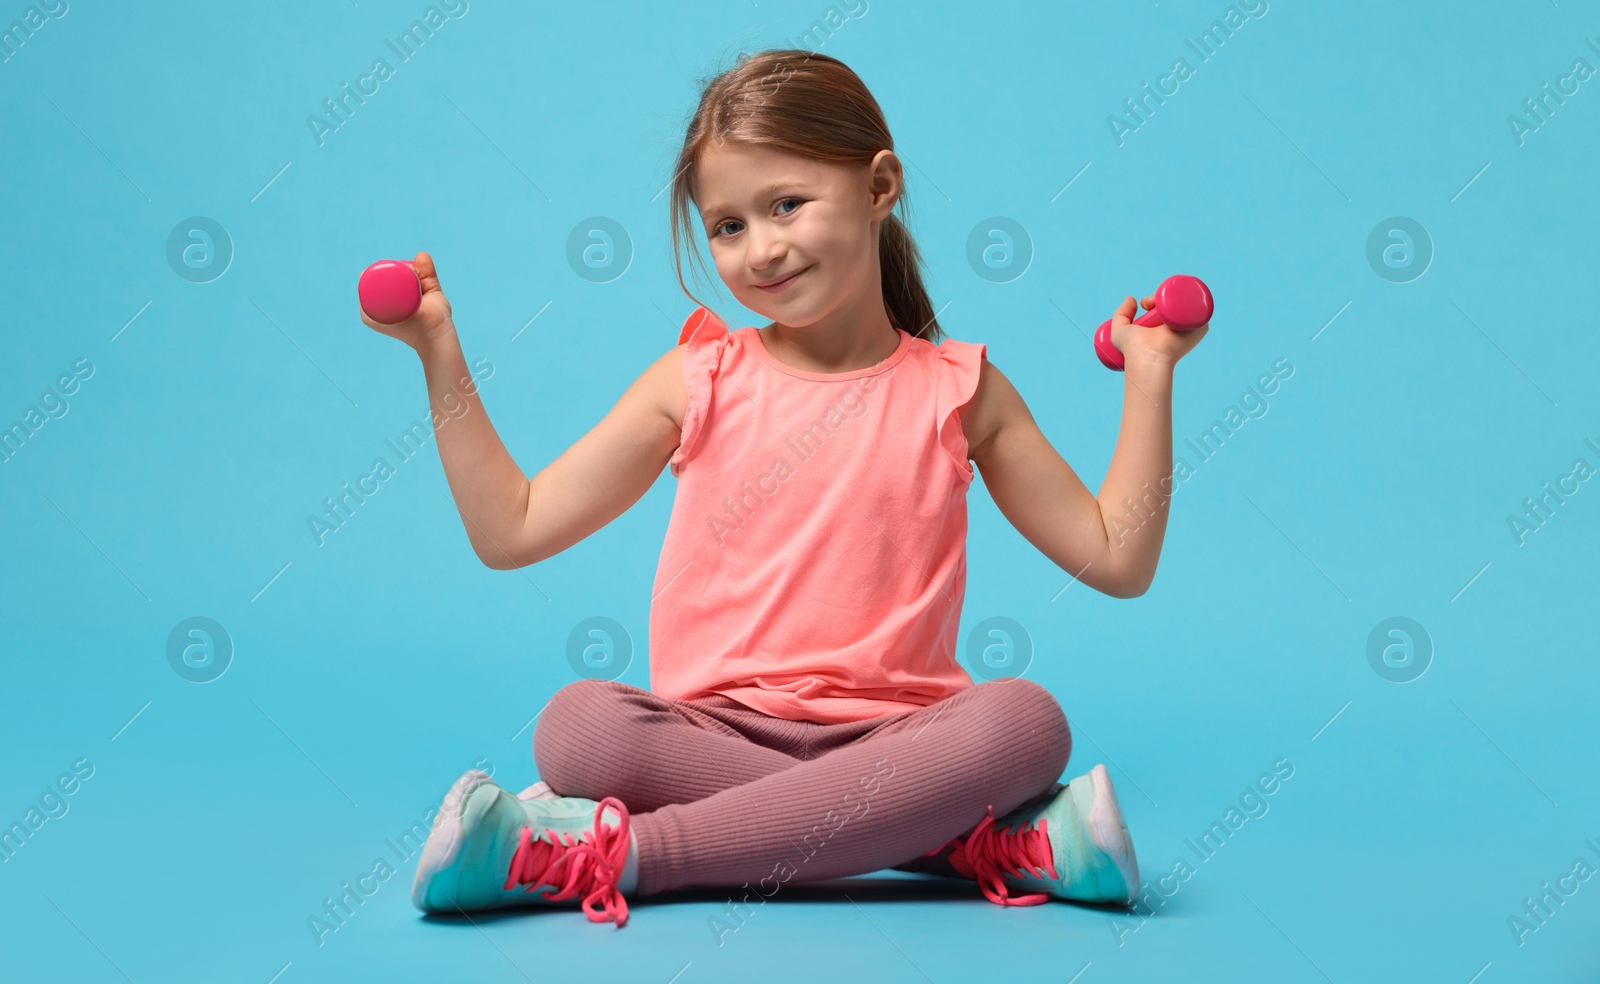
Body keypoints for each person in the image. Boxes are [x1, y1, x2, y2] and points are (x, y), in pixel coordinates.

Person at [367, 50, 1207, 928]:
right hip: (713, 736)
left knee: (1025, 724)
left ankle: (615, 854)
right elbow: (515, 527)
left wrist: (1150, 373)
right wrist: (437, 352)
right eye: (727, 226)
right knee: (579, 725)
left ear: (880, 186)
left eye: (786, 205)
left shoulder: (961, 390)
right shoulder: (697, 379)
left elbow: (1117, 557)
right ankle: (953, 838)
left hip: (901, 739)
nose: (759, 248)